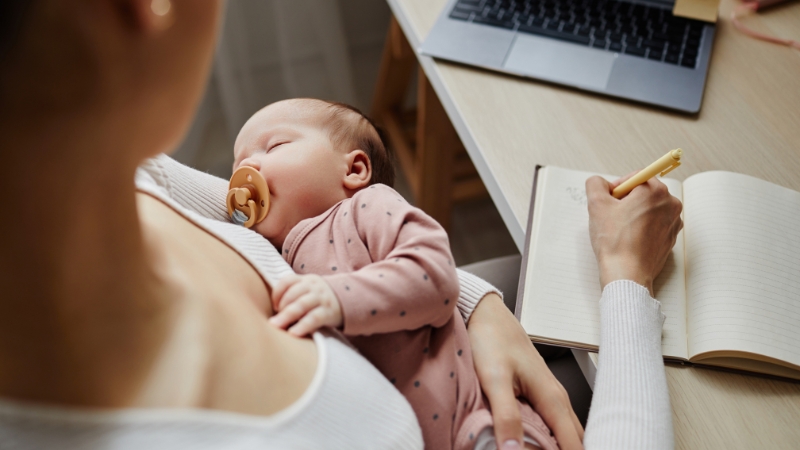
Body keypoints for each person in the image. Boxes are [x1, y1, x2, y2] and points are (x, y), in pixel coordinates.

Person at [0, 1, 682, 449]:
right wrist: (625, 280)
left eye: (272, 148)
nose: (247, 171)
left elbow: (415, 259)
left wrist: (477, 307)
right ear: (144, 11)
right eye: (246, 155)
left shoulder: (129, 174)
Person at [229, 98, 558, 449]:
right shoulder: (274, 256)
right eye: (236, 165)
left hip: (479, 423)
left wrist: (339, 298)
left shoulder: (365, 209)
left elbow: (434, 276)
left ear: (354, 170)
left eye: (275, 146)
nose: (246, 166)